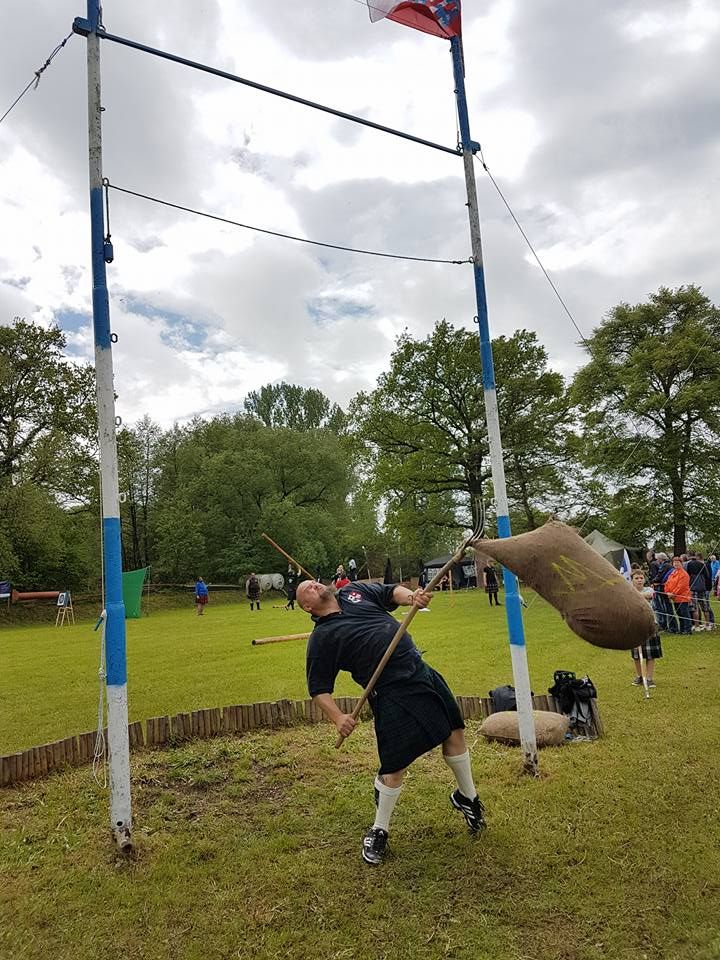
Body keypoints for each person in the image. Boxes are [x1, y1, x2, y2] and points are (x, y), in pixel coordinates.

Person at [297, 578, 485, 867]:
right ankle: (379, 830)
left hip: (419, 670)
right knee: (395, 767)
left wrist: (412, 598)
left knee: (455, 734)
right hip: (390, 690)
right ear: (307, 606)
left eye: (313, 582)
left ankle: (467, 798)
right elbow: (318, 689)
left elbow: (390, 592)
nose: (314, 584)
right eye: (307, 589)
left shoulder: (352, 592)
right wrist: (338, 717)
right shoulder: (323, 637)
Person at [630, 571, 662, 687]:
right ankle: (639, 676)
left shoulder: (649, 590)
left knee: (650, 654)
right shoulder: (628, 591)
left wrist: (631, 594)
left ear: (644, 580)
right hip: (635, 626)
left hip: (650, 625)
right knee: (636, 655)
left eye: (641, 578)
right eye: (636, 578)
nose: (639, 580)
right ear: (632, 580)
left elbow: (649, 596)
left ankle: (649, 678)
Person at [685, 551, 714, 631]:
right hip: (702, 588)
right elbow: (707, 576)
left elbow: (686, 576)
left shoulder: (688, 564)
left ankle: (697, 626)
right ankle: (707, 625)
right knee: (705, 607)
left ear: (689, 556)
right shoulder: (702, 564)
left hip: (693, 588)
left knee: (694, 608)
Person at [664, 557, 692, 635]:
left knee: (684, 614)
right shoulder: (672, 573)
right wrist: (667, 592)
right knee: (679, 614)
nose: (676, 564)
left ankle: (687, 629)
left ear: (681, 563)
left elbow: (681, 586)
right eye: (674, 562)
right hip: (674, 598)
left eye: (678, 562)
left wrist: (672, 594)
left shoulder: (684, 574)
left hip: (683, 597)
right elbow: (667, 583)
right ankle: (682, 629)